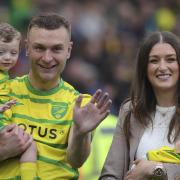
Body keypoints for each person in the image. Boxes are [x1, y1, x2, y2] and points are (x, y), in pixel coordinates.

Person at [0, 13, 112, 180]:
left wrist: (81, 133)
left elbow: (76, 161)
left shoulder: (80, 104)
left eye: (56, 49)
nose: (47, 58)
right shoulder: (3, 91)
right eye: (39, 48)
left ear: (69, 50)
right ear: (27, 48)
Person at [99, 31, 180, 180]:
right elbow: (111, 173)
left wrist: (155, 169)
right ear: (144, 68)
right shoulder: (130, 111)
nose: (162, 67)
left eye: (170, 59)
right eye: (154, 61)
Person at [0, 22, 38, 179]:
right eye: (1, 52)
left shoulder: (6, 77)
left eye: (13, 53)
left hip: (3, 124)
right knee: (29, 143)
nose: (8, 57)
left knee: (28, 142)